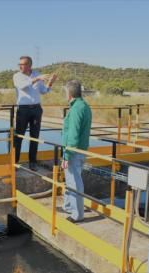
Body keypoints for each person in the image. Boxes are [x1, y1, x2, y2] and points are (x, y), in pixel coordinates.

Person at [13, 56, 57, 171]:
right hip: (23, 109)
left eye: (23, 64)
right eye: (20, 64)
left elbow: (43, 91)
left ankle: (32, 162)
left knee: (34, 137)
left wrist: (50, 83)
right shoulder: (17, 76)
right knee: (19, 136)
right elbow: (22, 86)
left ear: (29, 65)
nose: (20, 66)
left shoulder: (37, 74)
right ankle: (15, 162)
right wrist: (37, 79)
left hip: (36, 109)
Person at [61, 80, 92, 223]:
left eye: (65, 92)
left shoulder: (76, 108)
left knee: (74, 182)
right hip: (80, 150)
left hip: (74, 151)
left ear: (69, 93)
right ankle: (68, 206)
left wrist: (67, 155)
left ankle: (77, 215)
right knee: (72, 179)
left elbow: (73, 134)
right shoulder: (84, 106)